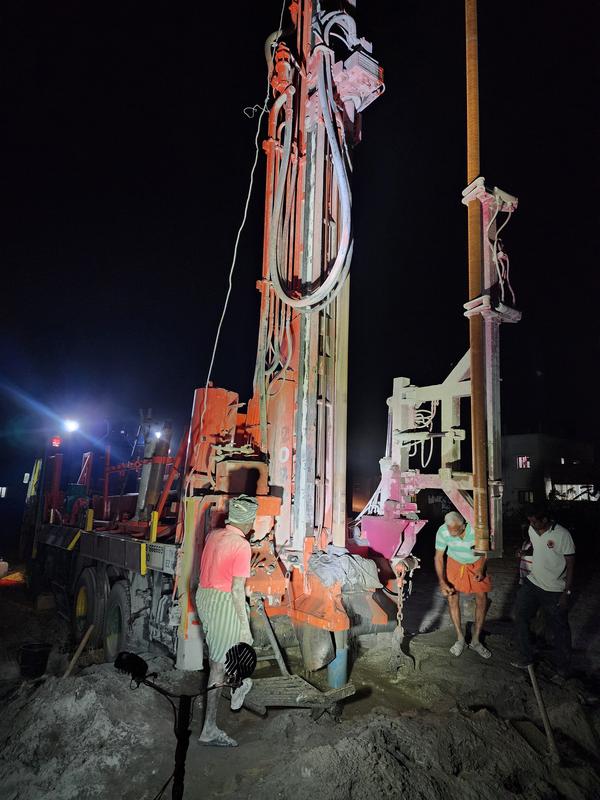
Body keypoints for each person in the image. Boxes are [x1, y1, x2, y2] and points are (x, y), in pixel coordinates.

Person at [196, 494, 258, 747]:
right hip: (223, 601)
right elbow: (235, 590)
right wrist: (245, 628)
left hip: (204, 596)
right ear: (250, 520)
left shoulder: (214, 535)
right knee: (227, 658)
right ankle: (209, 728)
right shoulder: (242, 545)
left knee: (218, 656)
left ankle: (237, 684)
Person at [512, 503, 575, 679]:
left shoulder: (562, 535)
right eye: (530, 522)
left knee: (560, 629)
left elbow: (570, 565)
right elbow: (537, 546)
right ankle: (526, 658)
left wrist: (566, 593)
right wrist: (523, 552)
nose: (532, 525)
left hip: (554, 589)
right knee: (521, 616)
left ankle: (563, 669)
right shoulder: (532, 530)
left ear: (545, 519)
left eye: (535, 522)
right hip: (533, 582)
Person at [434, 510, 492, 658]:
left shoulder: (475, 528)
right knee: (452, 597)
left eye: (457, 531)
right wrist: (442, 581)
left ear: (464, 525)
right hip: (455, 562)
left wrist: (481, 567)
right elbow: (439, 557)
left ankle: (476, 640)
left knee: (482, 598)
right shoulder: (442, 531)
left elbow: (486, 549)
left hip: (476, 562)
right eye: (450, 531)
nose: (454, 534)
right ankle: (460, 638)